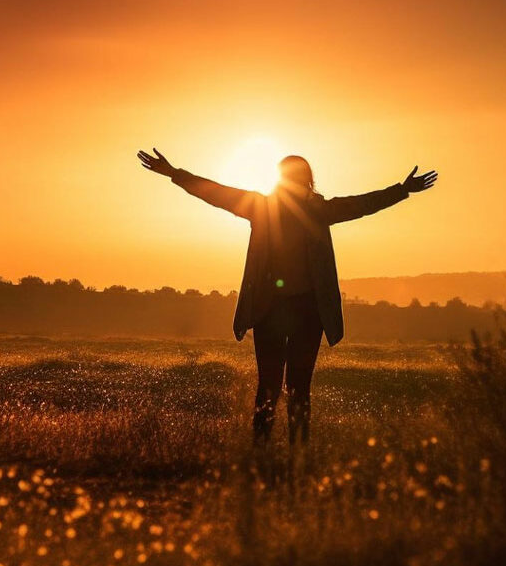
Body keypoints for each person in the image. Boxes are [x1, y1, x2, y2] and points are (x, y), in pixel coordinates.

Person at [137, 149, 437, 446]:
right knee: (286, 385)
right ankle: (282, 449)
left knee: (285, 385)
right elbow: (216, 192)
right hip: (284, 311)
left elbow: (217, 193)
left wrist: (401, 190)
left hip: (294, 312)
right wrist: (174, 174)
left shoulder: (283, 208)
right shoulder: (292, 209)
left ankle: (278, 449)